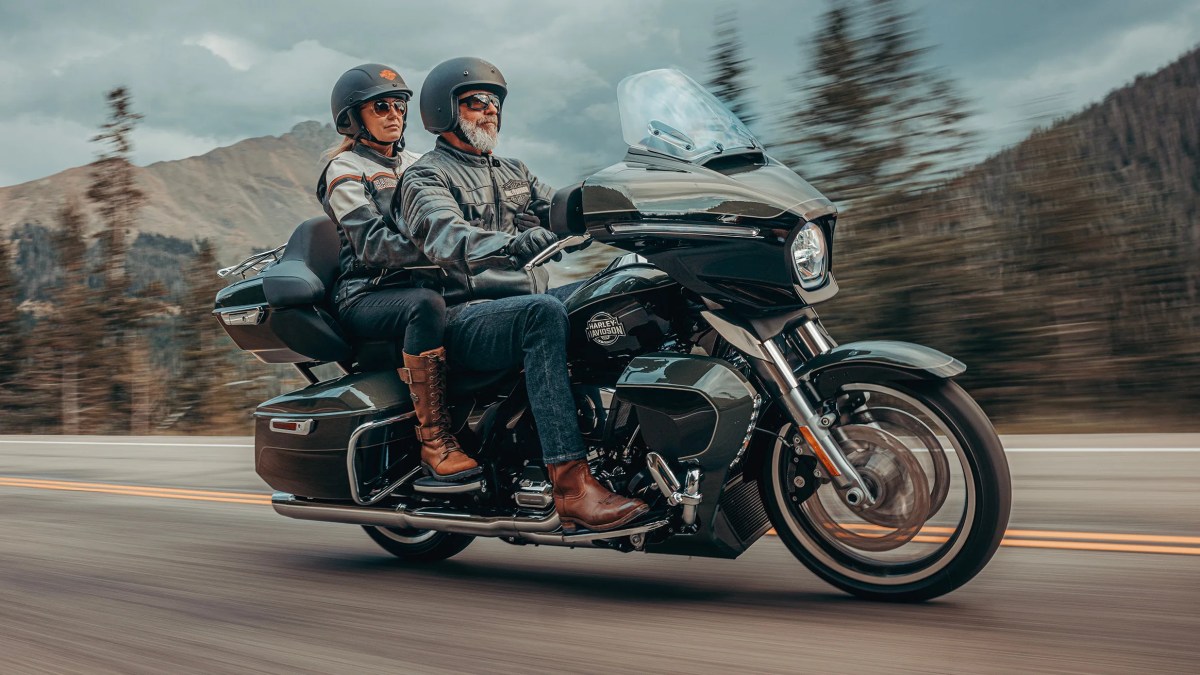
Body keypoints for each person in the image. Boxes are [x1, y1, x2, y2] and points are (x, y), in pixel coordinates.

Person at [395, 56, 649, 532]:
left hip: (524, 304)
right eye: (476, 101)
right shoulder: (425, 177)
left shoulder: (514, 171)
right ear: (444, 110)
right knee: (543, 314)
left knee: (628, 286)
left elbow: (561, 209)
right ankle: (571, 486)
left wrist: (624, 213)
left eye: (495, 102)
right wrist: (513, 244)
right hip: (465, 314)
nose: (490, 110)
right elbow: (444, 235)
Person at [315, 63, 478, 483]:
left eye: (399, 106)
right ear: (353, 118)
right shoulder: (344, 169)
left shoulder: (419, 163)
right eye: (380, 107)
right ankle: (435, 440)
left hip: (422, 280)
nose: (394, 115)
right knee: (425, 306)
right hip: (366, 292)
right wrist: (445, 252)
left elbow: (457, 216)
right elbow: (372, 243)